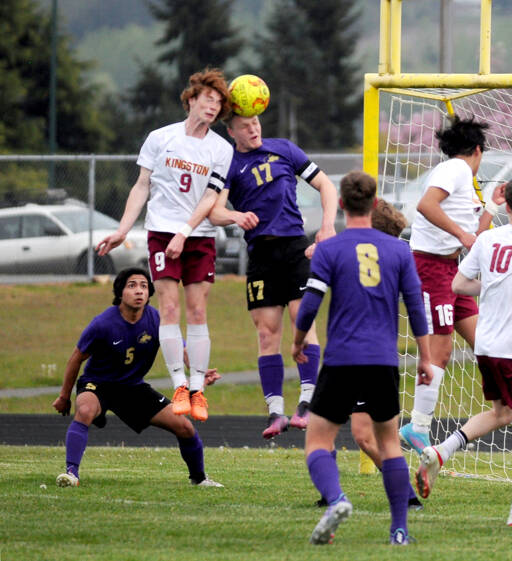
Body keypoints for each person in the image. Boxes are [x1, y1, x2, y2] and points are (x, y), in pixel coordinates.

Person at [292, 171, 433, 545]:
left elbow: (309, 304)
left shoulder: (329, 248)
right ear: (374, 204)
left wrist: (297, 340)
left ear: (341, 204)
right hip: (383, 360)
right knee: (388, 444)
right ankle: (399, 531)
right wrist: (425, 356)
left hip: (340, 359)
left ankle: (337, 499)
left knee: (319, 441)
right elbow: (416, 307)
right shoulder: (399, 250)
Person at [96, 68, 234, 422]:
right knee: (169, 310)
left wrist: (185, 233)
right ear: (191, 99)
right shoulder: (160, 138)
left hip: (197, 235)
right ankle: (180, 385)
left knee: (198, 311)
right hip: (160, 232)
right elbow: (142, 186)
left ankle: (199, 390)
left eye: (219, 104)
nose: (213, 107)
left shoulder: (221, 148)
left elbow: (210, 196)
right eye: (208, 99)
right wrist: (124, 230)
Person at [208, 113, 339, 439]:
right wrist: (237, 216)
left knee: (302, 320)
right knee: (267, 334)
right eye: (244, 126)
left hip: (294, 250)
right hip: (261, 257)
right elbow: (215, 211)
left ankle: (307, 403)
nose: (252, 129)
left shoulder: (284, 149)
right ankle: (276, 411)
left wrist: (327, 225)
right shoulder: (228, 162)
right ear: (231, 131)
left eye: (255, 122)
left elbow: (326, 184)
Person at [52, 267, 223, 488]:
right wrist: (64, 396)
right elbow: (76, 358)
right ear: (120, 292)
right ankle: (71, 474)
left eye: (143, 286)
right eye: (132, 285)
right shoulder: (102, 323)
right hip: (98, 384)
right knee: (84, 411)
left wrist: (198, 371)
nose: (139, 291)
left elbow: (179, 349)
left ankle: (199, 479)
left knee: (185, 427)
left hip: (133, 388)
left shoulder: (157, 320)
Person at [400, 116, 505, 455]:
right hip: (430, 268)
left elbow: (475, 235)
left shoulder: (462, 179)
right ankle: (417, 427)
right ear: (476, 150)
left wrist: (491, 205)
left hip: (449, 270)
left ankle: (501, 410)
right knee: (440, 351)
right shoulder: (456, 169)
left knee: (485, 340)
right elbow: (425, 205)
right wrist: (460, 233)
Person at [313, 198, 423, 511]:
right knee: (336, 430)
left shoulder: (384, 258)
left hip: (366, 356)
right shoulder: (376, 253)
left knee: (364, 436)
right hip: (359, 355)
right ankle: (330, 494)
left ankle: (405, 497)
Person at [415, 181, 511, 510]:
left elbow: (459, 284)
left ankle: (441, 451)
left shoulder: (488, 240)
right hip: (511, 346)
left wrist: (494, 282)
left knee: (502, 413)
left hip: (487, 345)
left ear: (507, 208)